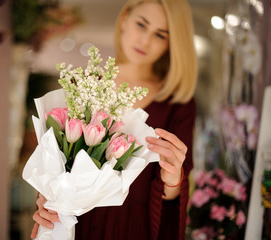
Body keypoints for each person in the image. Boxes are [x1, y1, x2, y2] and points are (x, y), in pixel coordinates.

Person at [31, 0, 197, 239]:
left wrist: (173, 178)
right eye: (142, 25)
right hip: (78, 223)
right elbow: (54, 163)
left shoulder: (177, 104)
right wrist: (46, 198)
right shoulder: (84, 86)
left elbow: (172, 198)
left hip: (135, 228)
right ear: (126, 18)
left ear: (171, 43)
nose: (145, 41)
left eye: (160, 35)